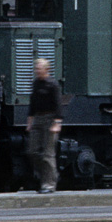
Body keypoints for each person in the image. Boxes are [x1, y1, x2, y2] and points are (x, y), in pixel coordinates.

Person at [26, 58, 63, 193]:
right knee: (32, 151)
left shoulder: (53, 85)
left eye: (39, 68)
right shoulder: (36, 84)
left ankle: (49, 184)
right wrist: (29, 122)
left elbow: (58, 105)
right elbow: (32, 104)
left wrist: (57, 123)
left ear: (46, 69)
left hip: (50, 119)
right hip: (37, 119)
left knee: (48, 154)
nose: (37, 70)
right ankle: (50, 175)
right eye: (36, 68)